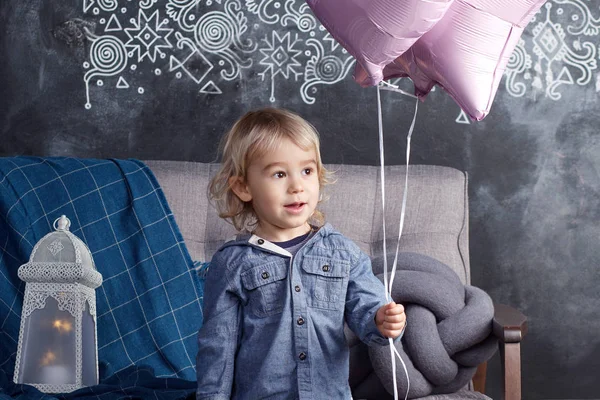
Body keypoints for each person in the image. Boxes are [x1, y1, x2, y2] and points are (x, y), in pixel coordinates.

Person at [196, 108, 406, 400]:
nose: (296, 186)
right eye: (279, 174)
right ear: (244, 187)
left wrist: (383, 321)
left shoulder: (342, 252)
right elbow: (218, 346)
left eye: (307, 171)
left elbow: (367, 312)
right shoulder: (233, 263)